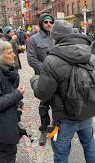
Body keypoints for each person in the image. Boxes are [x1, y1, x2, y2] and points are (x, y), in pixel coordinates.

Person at [29, 20, 95, 162]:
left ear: (54, 38)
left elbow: (43, 93)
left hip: (64, 117)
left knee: (61, 154)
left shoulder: (51, 60)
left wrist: (35, 79)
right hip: (86, 112)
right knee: (89, 146)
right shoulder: (91, 56)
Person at [0, 39, 25, 163]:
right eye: (9, 53)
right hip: (0, 125)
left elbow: (4, 92)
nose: (14, 55)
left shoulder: (1, 70)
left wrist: (17, 103)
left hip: (5, 121)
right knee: (6, 154)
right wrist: (17, 94)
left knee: (8, 152)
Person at [27, 13, 55, 146]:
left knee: (58, 104)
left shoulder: (56, 37)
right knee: (44, 105)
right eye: (46, 22)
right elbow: (32, 60)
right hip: (43, 77)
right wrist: (46, 70)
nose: (49, 24)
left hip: (58, 78)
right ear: (41, 24)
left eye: (51, 22)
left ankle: (54, 130)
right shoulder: (34, 39)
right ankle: (44, 129)